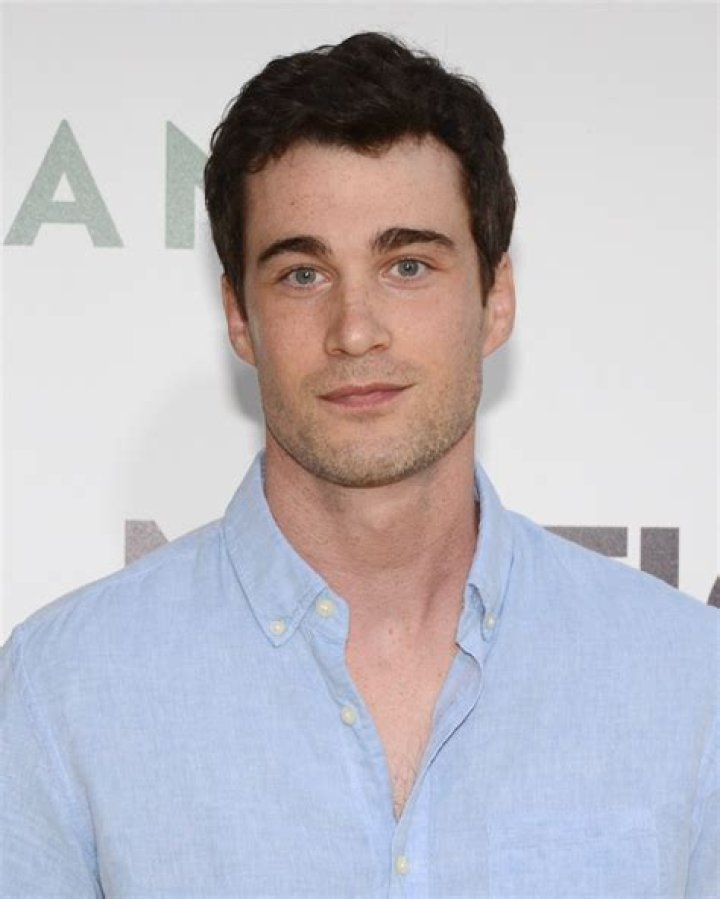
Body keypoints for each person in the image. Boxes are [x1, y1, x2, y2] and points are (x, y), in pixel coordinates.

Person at [1, 32, 717, 899]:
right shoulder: (63, 690)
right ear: (239, 317)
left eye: (407, 265)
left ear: (496, 299)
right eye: (303, 274)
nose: (354, 329)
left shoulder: (687, 681)